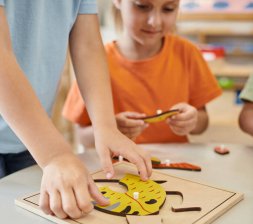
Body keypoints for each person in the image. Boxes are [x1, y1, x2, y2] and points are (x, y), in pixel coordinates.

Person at [0, 0, 151, 220]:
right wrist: (55, 155)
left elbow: (87, 46)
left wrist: (105, 126)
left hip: (30, 140)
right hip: (43, 145)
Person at [62, 0, 222, 147]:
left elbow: (203, 122)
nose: (154, 21)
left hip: (174, 165)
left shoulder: (188, 53)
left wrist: (192, 121)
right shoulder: (95, 63)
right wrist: (109, 129)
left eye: (168, 9)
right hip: (120, 168)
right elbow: (82, 137)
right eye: (142, 6)